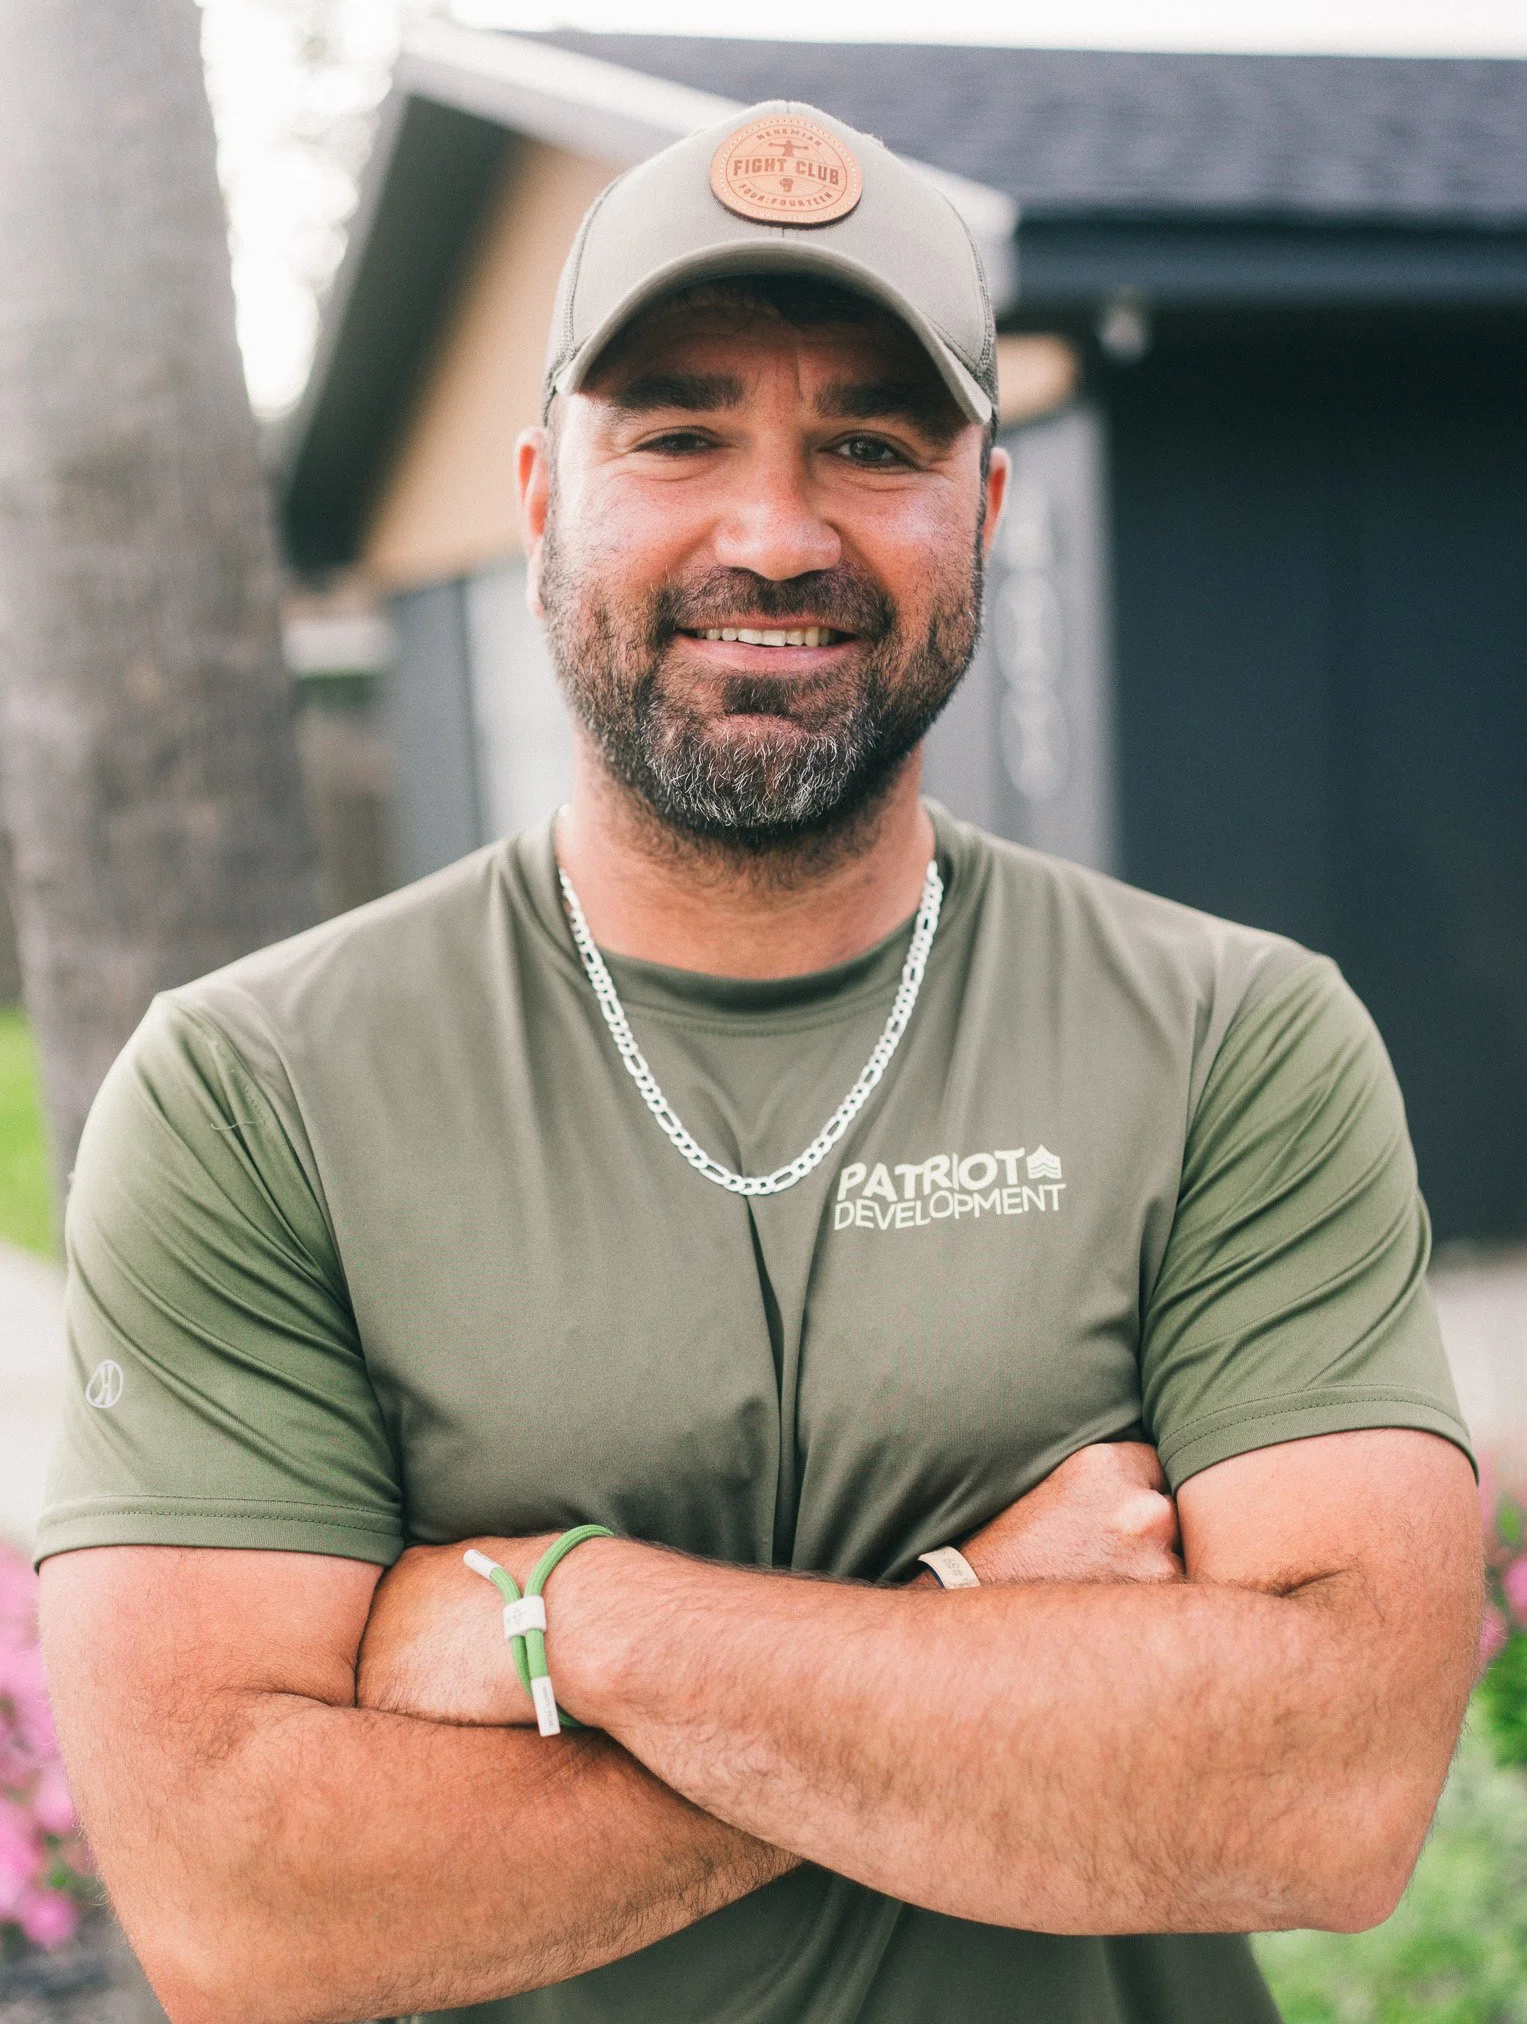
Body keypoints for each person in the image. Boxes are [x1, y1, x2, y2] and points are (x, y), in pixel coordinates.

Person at [37, 101, 1480, 2024]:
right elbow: (247, 1906)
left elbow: (1324, 1794)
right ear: (546, 494)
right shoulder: (255, 1095)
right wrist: (976, 1642)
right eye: (680, 433)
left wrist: (577, 1615)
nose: (774, 532)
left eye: (873, 444)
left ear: (982, 510)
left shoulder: (1231, 1040)